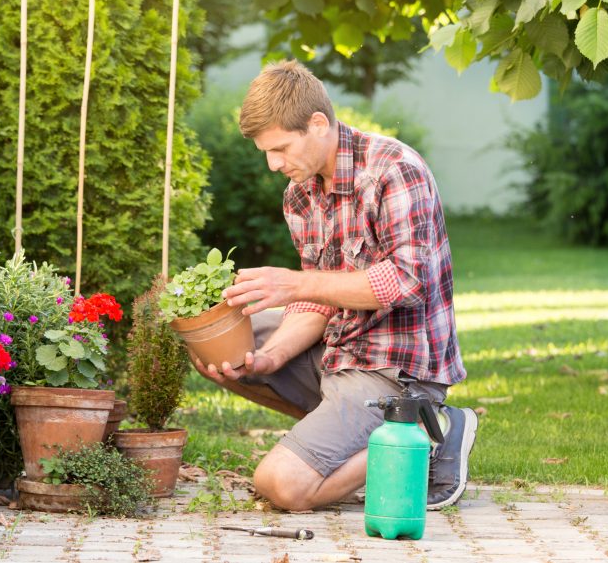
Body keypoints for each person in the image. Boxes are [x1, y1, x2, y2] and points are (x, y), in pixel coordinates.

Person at [196, 59, 476, 512]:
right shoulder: (301, 193)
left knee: (281, 485)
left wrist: (294, 284)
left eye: (281, 148)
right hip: (339, 353)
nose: (273, 165)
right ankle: (352, 440)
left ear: (319, 123)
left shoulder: (393, 170)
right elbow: (317, 303)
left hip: (392, 369)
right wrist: (270, 358)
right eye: (266, 152)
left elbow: (407, 282)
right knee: (220, 345)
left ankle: (423, 433)